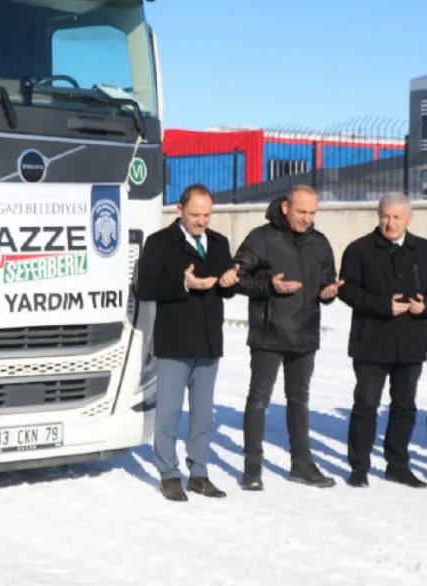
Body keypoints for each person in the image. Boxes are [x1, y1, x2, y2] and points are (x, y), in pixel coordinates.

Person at [231, 185, 340, 491]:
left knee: (299, 400)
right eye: (302, 212)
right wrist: (269, 287)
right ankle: (252, 467)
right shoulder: (261, 238)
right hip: (269, 334)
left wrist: (328, 292)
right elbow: (237, 278)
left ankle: (301, 465)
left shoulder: (320, 243)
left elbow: (326, 283)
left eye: (312, 213)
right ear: (285, 208)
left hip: (304, 333)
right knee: (258, 399)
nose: (307, 218)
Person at [135, 183, 238, 502]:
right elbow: (144, 287)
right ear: (180, 209)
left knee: (203, 415)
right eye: (195, 214)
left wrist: (230, 282)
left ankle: (199, 473)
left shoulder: (219, 242)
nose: (202, 221)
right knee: (168, 413)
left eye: (207, 215)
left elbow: (226, 288)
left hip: (208, 342)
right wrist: (183, 283)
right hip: (175, 341)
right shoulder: (160, 243)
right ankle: (168, 474)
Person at [337, 191, 427, 489]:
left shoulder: (425, 250)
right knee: (366, 405)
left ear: (409, 218)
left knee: (404, 406)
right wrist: (382, 305)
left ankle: (397, 465)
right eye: (385, 216)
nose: (390, 223)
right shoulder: (359, 250)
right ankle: (359, 466)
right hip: (371, 341)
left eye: (396, 217)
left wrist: (426, 306)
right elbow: (347, 290)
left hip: (412, 342)